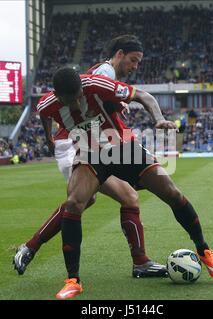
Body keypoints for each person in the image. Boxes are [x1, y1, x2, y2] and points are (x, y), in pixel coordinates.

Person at [42, 68, 213, 300]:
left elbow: (144, 96)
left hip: (123, 148)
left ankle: (203, 249)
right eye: (72, 100)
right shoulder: (47, 103)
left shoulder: (98, 85)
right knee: (74, 203)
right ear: (59, 97)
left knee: (172, 193)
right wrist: (49, 137)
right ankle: (73, 281)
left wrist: (158, 119)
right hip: (90, 154)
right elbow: (43, 114)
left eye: (80, 95)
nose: (78, 101)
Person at [13, 35, 167, 278]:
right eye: (133, 61)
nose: (134, 67)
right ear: (119, 54)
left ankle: (29, 247)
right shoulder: (105, 72)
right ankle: (140, 262)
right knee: (127, 196)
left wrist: (49, 137)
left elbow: (49, 109)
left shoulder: (99, 75)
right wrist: (118, 105)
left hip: (81, 143)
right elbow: (99, 98)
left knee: (86, 200)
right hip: (78, 146)